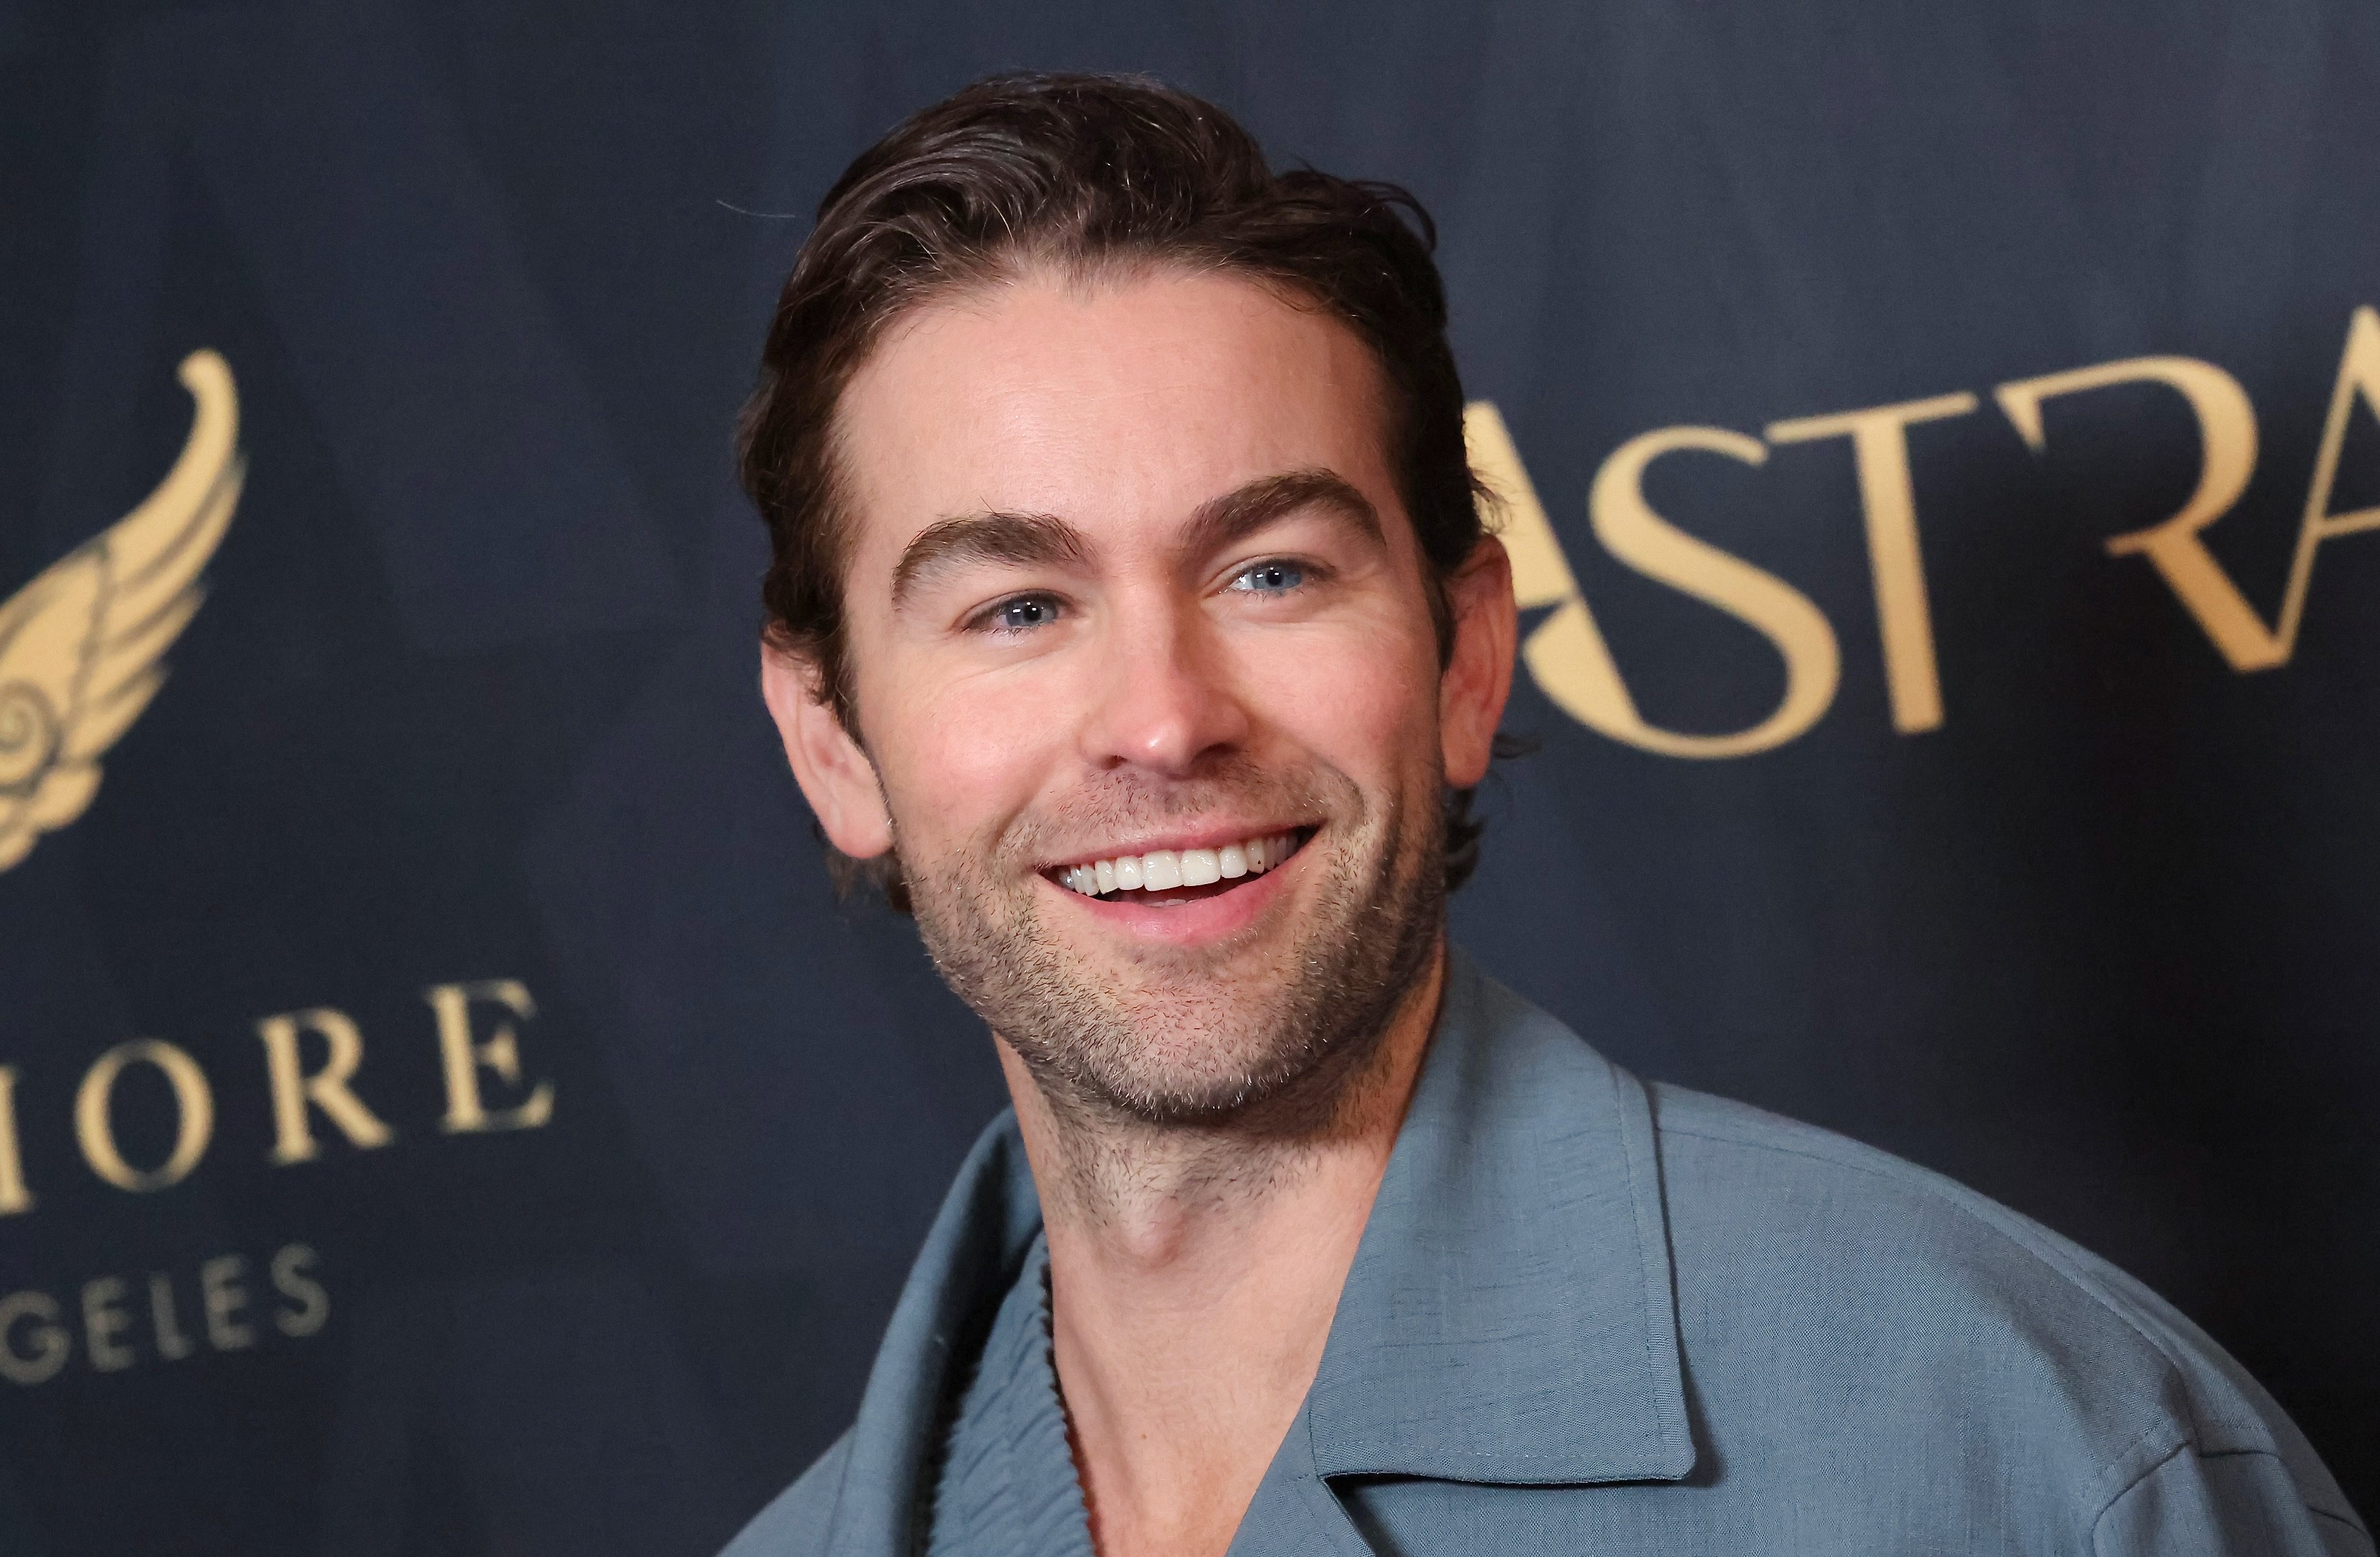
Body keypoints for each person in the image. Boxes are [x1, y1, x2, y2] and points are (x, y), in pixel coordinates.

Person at [721, 72, 2367, 1557]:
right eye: (1015, 607)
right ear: (832, 739)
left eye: (1270, 572)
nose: (1163, 717)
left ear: (1468, 658)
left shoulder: (2030, 1455)